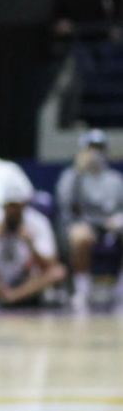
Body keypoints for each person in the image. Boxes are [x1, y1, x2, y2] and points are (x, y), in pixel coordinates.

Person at [0, 173, 66, 307]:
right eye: (10, 206)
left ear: (24, 204)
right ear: (3, 205)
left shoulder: (38, 222)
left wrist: (30, 244)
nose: (13, 211)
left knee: (58, 272)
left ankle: (15, 296)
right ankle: (6, 295)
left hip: (26, 280)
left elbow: (50, 265)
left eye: (17, 206)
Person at [56, 128, 123, 313]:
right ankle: (81, 289)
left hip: (110, 227)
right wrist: (79, 170)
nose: (96, 152)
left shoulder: (115, 180)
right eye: (91, 148)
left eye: (100, 148)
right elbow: (66, 205)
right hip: (82, 225)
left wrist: (117, 220)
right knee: (81, 236)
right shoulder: (72, 176)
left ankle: (121, 287)